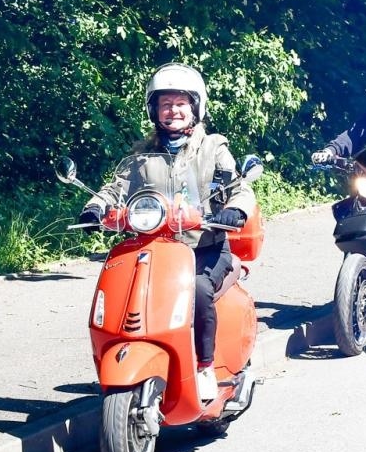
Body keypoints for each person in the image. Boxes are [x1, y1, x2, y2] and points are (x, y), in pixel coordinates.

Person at [80, 64, 256, 400]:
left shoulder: (213, 148)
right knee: (124, 288)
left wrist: (235, 209)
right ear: (154, 111)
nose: (172, 111)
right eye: (165, 104)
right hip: (154, 248)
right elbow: (115, 189)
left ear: (195, 107)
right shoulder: (143, 157)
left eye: (180, 103)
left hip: (204, 248)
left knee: (199, 291)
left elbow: (239, 187)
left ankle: (204, 367)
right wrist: (96, 208)